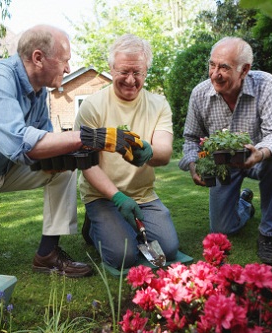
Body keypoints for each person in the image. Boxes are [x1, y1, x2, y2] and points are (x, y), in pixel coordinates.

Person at [0, 24, 144, 276]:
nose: (67, 68)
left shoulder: (38, 91)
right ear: (38, 58)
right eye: (64, 61)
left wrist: (99, 142)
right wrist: (95, 136)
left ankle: (48, 254)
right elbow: (22, 145)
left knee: (66, 165)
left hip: (3, 169)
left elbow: (47, 142)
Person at [178, 37, 272, 266]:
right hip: (223, 166)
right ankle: (245, 205)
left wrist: (259, 153)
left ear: (244, 70)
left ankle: (267, 234)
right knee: (222, 229)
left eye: (224, 67)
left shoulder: (265, 84)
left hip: (259, 159)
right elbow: (190, 139)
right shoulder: (200, 94)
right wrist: (193, 165)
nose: (214, 74)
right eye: (212, 65)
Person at [74, 34, 179, 269]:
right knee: (124, 257)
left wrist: (150, 151)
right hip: (102, 195)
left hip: (144, 194)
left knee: (169, 249)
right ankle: (93, 224)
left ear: (146, 71)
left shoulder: (159, 104)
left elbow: (165, 152)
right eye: (123, 71)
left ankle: (119, 224)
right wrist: (117, 197)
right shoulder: (93, 106)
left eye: (138, 73)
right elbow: (86, 163)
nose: (131, 80)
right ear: (111, 68)